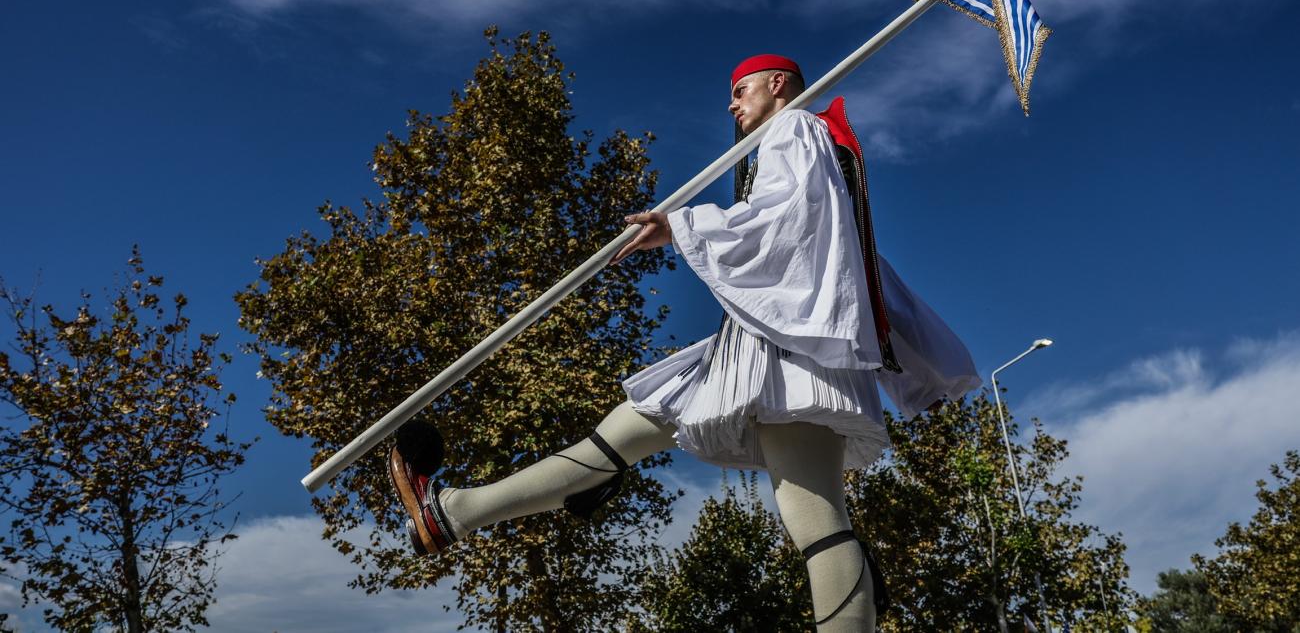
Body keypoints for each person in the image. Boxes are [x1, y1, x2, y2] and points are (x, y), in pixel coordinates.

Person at [390, 54, 978, 631]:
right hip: (757, 346)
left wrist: (682, 226)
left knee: (818, 523)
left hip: (790, 356)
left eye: (741, 91)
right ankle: (456, 512)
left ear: (777, 84)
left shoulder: (794, 127)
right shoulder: (805, 145)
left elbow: (786, 222)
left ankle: (851, 614)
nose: (732, 103)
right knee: (626, 429)